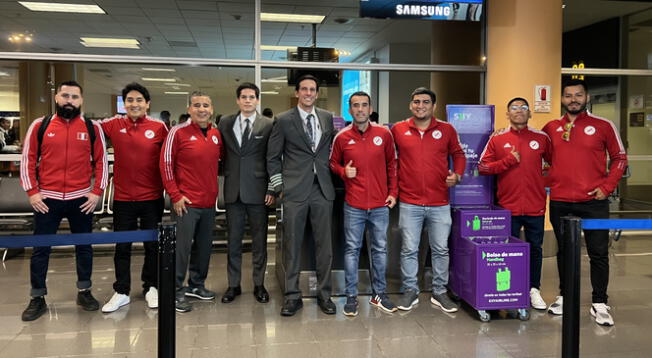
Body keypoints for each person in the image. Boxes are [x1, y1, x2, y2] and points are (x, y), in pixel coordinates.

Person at [19, 80, 108, 321]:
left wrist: (96, 192)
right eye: (65, 96)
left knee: (84, 247)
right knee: (41, 250)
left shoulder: (92, 127)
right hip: (47, 199)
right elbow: (27, 159)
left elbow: (102, 161)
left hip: (82, 199)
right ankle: (37, 297)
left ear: (81, 101)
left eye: (75, 97)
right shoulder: (41, 125)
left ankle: (84, 290)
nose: (70, 101)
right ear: (57, 98)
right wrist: (33, 192)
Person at [542, 79, 627, 326]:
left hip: (594, 202)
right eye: (568, 96)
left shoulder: (603, 125)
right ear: (562, 99)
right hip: (560, 201)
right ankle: (565, 296)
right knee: (564, 251)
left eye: (578, 95)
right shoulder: (551, 127)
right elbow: (542, 159)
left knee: (598, 253)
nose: (573, 100)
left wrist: (607, 187)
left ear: (587, 97)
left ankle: (599, 302)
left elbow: (620, 157)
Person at [391, 87, 465, 313]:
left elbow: (459, 155)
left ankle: (439, 292)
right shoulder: (398, 129)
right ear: (410, 105)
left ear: (433, 106)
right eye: (416, 102)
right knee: (409, 249)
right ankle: (410, 290)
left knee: (441, 249)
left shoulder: (447, 129)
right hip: (410, 201)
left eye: (425, 102)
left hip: (439, 202)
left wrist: (458, 175)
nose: (420, 106)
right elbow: (390, 162)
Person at [267, 74, 336, 316]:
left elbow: (329, 152)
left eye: (312, 90)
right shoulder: (284, 120)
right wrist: (278, 188)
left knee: (324, 246)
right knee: (293, 245)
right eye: (304, 89)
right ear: (297, 93)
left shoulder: (327, 118)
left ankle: (325, 295)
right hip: (294, 190)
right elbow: (273, 158)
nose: (308, 93)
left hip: (323, 189)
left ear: (317, 94)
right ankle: (292, 296)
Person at [98, 83, 169, 313]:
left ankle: (151, 287)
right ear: (124, 104)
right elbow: (88, 129)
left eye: (139, 100)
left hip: (151, 197)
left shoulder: (159, 127)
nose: (134, 104)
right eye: (130, 100)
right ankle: (121, 291)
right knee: (122, 246)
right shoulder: (112, 124)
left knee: (152, 245)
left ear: (147, 104)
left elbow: (170, 156)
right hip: (123, 198)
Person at [478, 97, 552, 310]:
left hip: (535, 205)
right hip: (507, 207)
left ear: (530, 114)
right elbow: (483, 167)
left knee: (534, 249)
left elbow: (553, 163)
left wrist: (541, 180)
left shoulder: (542, 138)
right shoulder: (498, 138)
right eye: (514, 108)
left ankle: (533, 289)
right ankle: (510, 290)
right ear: (508, 114)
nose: (519, 111)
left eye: (523, 108)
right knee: (507, 250)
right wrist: (508, 161)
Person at [330, 91, 398, 316]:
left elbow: (392, 165)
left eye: (364, 105)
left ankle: (379, 295)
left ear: (370, 109)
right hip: (354, 205)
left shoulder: (384, 134)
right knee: (352, 250)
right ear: (349, 110)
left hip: (380, 205)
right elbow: (332, 164)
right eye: (356, 106)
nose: (360, 109)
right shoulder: (341, 137)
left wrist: (393, 192)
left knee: (380, 250)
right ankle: (351, 297)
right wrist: (343, 171)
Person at [160, 91, 223, 313]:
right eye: (197, 105)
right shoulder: (177, 132)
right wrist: (175, 195)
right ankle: (175, 291)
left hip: (208, 203)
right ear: (189, 109)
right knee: (181, 250)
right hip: (185, 203)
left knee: (204, 248)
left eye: (206, 105)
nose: (202, 109)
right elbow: (166, 165)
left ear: (212, 109)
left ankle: (196, 285)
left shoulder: (215, 134)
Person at [217, 83, 275, 304]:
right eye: (244, 97)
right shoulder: (225, 123)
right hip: (233, 191)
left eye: (252, 97)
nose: (248, 100)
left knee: (260, 242)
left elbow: (273, 158)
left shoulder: (268, 124)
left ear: (257, 100)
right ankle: (234, 285)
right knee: (233, 241)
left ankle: (259, 284)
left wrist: (272, 187)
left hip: (259, 192)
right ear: (237, 100)